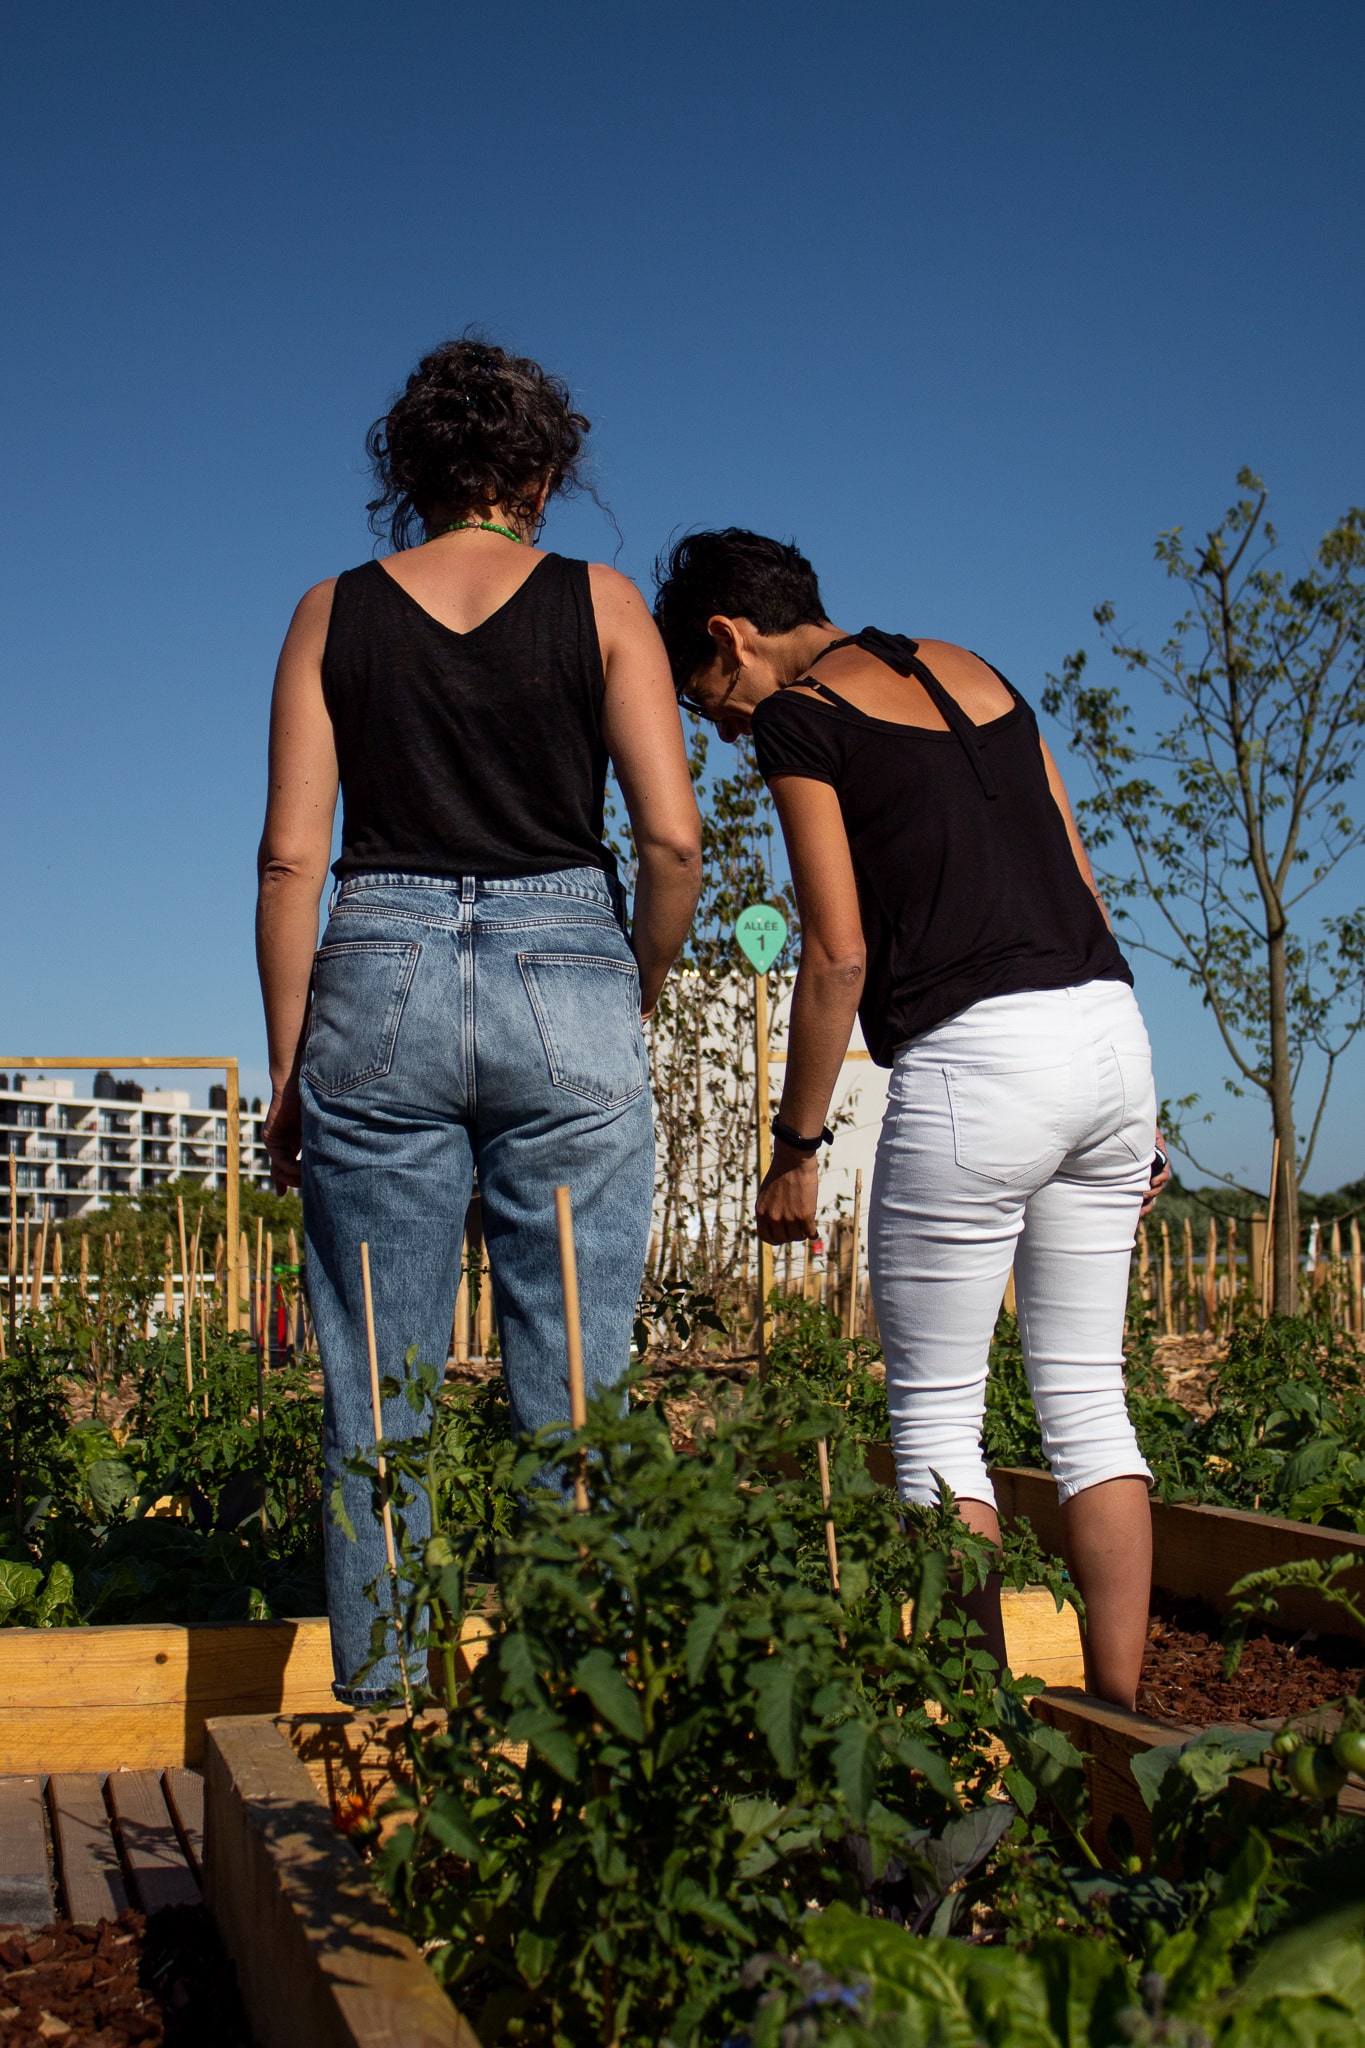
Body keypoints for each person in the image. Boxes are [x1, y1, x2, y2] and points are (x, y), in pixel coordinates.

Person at [653, 529, 1169, 1709]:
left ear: (731, 637)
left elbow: (836, 953)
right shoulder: (980, 670)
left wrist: (796, 1147)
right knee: (1091, 1401)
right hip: (1108, 1034)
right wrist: (1138, 1105)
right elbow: (1083, 885)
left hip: (977, 1060)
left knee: (938, 1417)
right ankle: (1122, 1730)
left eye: (711, 697)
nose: (726, 729)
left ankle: (981, 1732)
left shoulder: (800, 719)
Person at [256, 340, 701, 1703]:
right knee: (574, 1389)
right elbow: (674, 844)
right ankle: (567, 1711)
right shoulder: (604, 602)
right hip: (566, 964)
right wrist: (624, 989)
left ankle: (380, 1726)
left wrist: (290, 1070)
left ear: (410, 474)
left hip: (375, 965)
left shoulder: (332, 611)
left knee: (373, 1392)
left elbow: (287, 859)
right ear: (543, 471)